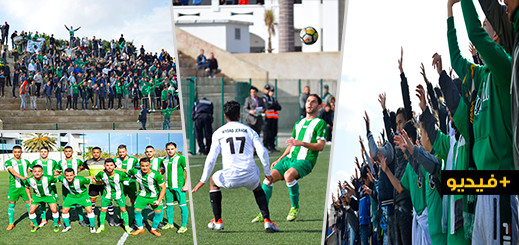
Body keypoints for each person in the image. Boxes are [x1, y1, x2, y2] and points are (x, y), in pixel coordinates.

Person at [192, 100, 280, 233]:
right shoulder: (249, 131)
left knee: (213, 182)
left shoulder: (219, 133)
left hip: (229, 177)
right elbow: (262, 152)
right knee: (257, 187)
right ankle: (267, 221)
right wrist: (267, 173)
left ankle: (218, 221)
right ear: (239, 115)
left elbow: (211, 158)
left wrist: (202, 180)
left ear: (225, 115)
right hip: (249, 175)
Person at [252, 94, 326, 222]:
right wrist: (280, 159)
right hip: (289, 159)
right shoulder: (299, 123)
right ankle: (263, 213)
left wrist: (302, 143)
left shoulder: (320, 123)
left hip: (305, 160)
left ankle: (295, 207)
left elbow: (320, 146)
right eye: (308, 101)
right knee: (268, 178)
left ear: (319, 106)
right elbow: (292, 145)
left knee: (288, 175)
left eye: (313, 102)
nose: (309, 104)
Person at [128, 158, 167, 237]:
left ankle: (154, 229)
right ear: (140, 166)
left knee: (158, 213)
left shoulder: (156, 175)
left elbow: (163, 188)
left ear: (150, 165)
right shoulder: (136, 171)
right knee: (136, 211)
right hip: (142, 195)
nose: (145, 167)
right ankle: (140, 228)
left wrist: (159, 200)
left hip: (154, 196)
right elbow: (126, 171)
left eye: (146, 165)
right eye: (142, 166)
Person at [93, 158, 132, 234]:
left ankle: (127, 226)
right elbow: (96, 179)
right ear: (104, 166)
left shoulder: (120, 174)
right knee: (103, 210)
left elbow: (128, 179)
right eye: (107, 165)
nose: (109, 167)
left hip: (119, 195)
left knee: (123, 210)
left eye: (111, 165)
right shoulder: (101, 173)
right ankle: (101, 226)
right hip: (107, 195)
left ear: (114, 166)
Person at [160, 142, 189, 233]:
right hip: (168, 187)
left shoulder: (181, 158)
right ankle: (170, 223)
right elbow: (162, 171)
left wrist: (186, 185)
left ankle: (184, 226)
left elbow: (187, 171)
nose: (170, 151)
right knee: (169, 206)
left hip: (179, 187)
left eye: (172, 149)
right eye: (168, 149)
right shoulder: (164, 160)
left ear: (176, 149)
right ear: (166, 150)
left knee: (182, 206)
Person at [56, 146, 89, 227]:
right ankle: (67, 220)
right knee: (66, 204)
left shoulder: (77, 161)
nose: (68, 153)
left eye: (69, 151)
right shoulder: (60, 162)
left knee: (79, 204)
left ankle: (81, 220)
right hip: (65, 186)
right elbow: (56, 172)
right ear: (64, 152)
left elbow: (84, 166)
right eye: (66, 151)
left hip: (76, 185)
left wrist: (78, 171)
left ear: (72, 152)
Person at [57, 168, 96, 233]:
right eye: (67, 176)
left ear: (74, 175)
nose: (69, 177)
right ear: (64, 175)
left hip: (83, 196)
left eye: (71, 175)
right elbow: (56, 177)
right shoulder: (62, 179)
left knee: (89, 210)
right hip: (71, 196)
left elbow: (92, 180)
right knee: (64, 210)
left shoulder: (80, 179)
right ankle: (67, 226)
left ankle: (92, 226)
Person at [24, 165, 61, 233]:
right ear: (32, 172)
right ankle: (35, 225)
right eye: (35, 171)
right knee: (31, 211)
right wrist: (30, 198)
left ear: (42, 172)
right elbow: (26, 187)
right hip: (37, 197)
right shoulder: (29, 180)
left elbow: (58, 179)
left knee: (54, 209)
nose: (37, 173)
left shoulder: (48, 178)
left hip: (49, 196)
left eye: (39, 171)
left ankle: (56, 224)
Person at [29, 147, 59, 228]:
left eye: (45, 151)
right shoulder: (35, 162)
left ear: (48, 152)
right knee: (42, 203)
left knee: (54, 203)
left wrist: (56, 175)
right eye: (42, 152)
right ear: (39, 152)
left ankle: (57, 220)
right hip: (39, 184)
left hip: (51, 185)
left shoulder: (53, 162)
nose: (43, 153)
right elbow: (30, 171)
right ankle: (43, 219)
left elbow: (57, 172)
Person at [5, 145, 32, 231]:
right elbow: (12, 171)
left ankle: (32, 220)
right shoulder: (9, 162)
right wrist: (22, 177)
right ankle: (11, 223)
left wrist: (28, 177)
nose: (17, 153)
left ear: (21, 152)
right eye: (15, 152)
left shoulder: (26, 161)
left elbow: (30, 170)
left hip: (24, 187)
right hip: (14, 187)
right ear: (13, 152)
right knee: (11, 204)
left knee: (29, 203)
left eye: (19, 152)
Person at [263, 85, 282, 153]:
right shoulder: (265, 98)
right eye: (270, 91)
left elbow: (279, 107)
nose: (271, 92)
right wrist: (274, 106)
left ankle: (272, 146)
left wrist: (273, 106)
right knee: (267, 133)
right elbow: (267, 106)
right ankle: (267, 146)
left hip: (274, 118)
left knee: (273, 133)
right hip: (267, 118)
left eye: (272, 91)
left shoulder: (274, 99)